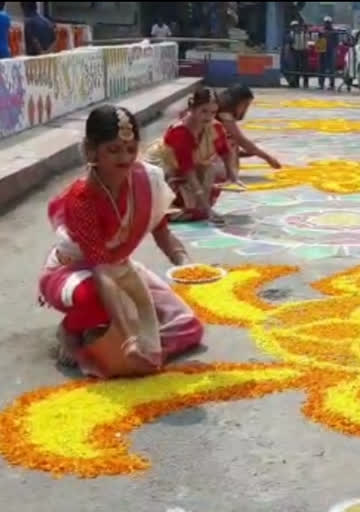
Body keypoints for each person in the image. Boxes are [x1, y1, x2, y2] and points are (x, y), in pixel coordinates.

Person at [38, 105, 204, 379]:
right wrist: (129, 338)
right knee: (95, 301)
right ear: (92, 151)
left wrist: (185, 264)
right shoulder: (81, 198)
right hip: (76, 272)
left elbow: (161, 232)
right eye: (113, 150)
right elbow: (101, 269)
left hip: (121, 267)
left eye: (131, 149)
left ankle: (109, 335)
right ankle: (71, 330)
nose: (125, 158)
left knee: (188, 326)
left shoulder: (145, 179)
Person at [144, 88, 237, 224]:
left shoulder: (215, 127)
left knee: (215, 169)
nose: (209, 116)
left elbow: (224, 150)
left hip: (186, 170)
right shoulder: (180, 132)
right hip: (165, 170)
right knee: (192, 207)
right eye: (204, 111)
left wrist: (231, 174)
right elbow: (187, 169)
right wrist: (205, 205)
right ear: (192, 109)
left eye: (213, 112)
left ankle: (197, 208)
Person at [216, 84, 281, 173]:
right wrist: (268, 158)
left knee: (237, 143)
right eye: (245, 105)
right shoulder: (224, 114)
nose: (246, 109)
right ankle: (229, 171)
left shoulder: (224, 111)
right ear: (237, 102)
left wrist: (245, 152)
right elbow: (241, 140)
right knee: (233, 142)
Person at [318, 16, 338, 90]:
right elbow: (318, 40)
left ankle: (332, 84)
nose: (327, 24)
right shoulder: (321, 31)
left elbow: (336, 42)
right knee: (321, 68)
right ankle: (321, 84)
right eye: (326, 23)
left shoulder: (334, 32)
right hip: (322, 50)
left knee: (331, 68)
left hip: (330, 51)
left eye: (328, 23)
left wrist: (335, 50)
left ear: (331, 23)